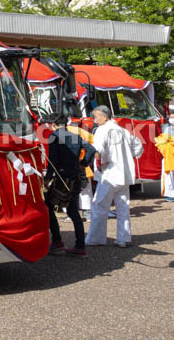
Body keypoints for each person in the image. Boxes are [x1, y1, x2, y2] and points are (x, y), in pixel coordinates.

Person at [86, 106, 143, 248]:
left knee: (99, 205)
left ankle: (96, 238)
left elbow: (97, 150)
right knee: (123, 207)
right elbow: (138, 147)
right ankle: (123, 238)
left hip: (109, 174)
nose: (95, 121)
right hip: (124, 174)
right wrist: (126, 157)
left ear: (104, 117)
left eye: (96, 117)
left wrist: (100, 163)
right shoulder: (123, 131)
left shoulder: (102, 130)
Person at [43, 112, 96, 258]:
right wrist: (83, 163)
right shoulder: (75, 136)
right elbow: (91, 149)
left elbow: (52, 161)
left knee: (48, 206)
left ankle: (57, 241)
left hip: (61, 179)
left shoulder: (54, 137)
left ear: (53, 124)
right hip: (75, 177)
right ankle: (80, 246)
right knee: (73, 212)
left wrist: (47, 179)